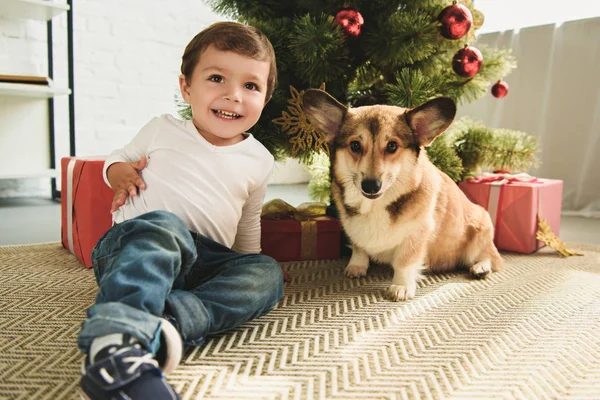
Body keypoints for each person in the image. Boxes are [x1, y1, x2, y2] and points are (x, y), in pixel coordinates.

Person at [77, 22, 283, 400]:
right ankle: (115, 344)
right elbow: (118, 158)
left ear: (265, 99)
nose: (233, 95)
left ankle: (169, 324)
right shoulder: (162, 129)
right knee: (165, 226)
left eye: (250, 86)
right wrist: (119, 172)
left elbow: (248, 219)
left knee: (266, 273)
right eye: (217, 78)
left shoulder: (259, 159)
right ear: (186, 87)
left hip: (205, 262)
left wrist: (244, 265)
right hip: (139, 247)